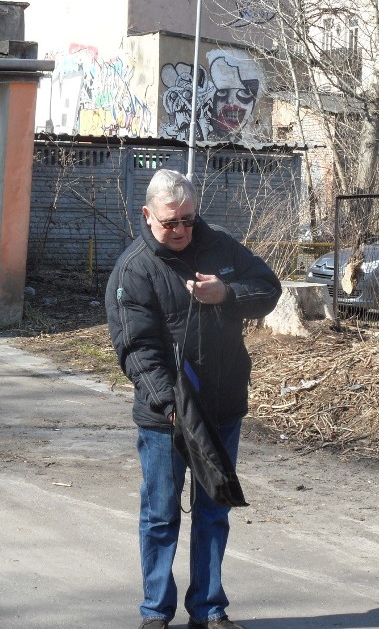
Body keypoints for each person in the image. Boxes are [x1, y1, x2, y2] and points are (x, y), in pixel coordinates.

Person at [105, 169, 281, 629]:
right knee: (161, 515)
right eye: (170, 222)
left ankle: (208, 610)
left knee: (213, 512)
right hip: (167, 419)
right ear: (147, 215)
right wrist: (170, 406)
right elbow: (137, 351)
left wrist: (226, 293)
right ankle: (155, 613)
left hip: (223, 409)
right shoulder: (134, 269)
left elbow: (268, 289)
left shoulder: (220, 246)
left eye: (188, 218)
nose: (181, 229)